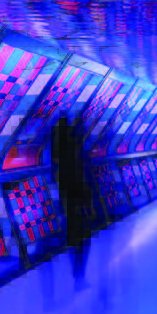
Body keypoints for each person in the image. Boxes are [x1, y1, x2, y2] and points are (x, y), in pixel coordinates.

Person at [51, 114, 96, 292]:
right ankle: (79, 276)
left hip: (68, 203)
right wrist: (89, 201)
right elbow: (83, 179)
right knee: (84, 240)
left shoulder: (58, 157)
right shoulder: (77, 154)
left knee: (74, 239)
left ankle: (76, 275)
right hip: (79, 202)